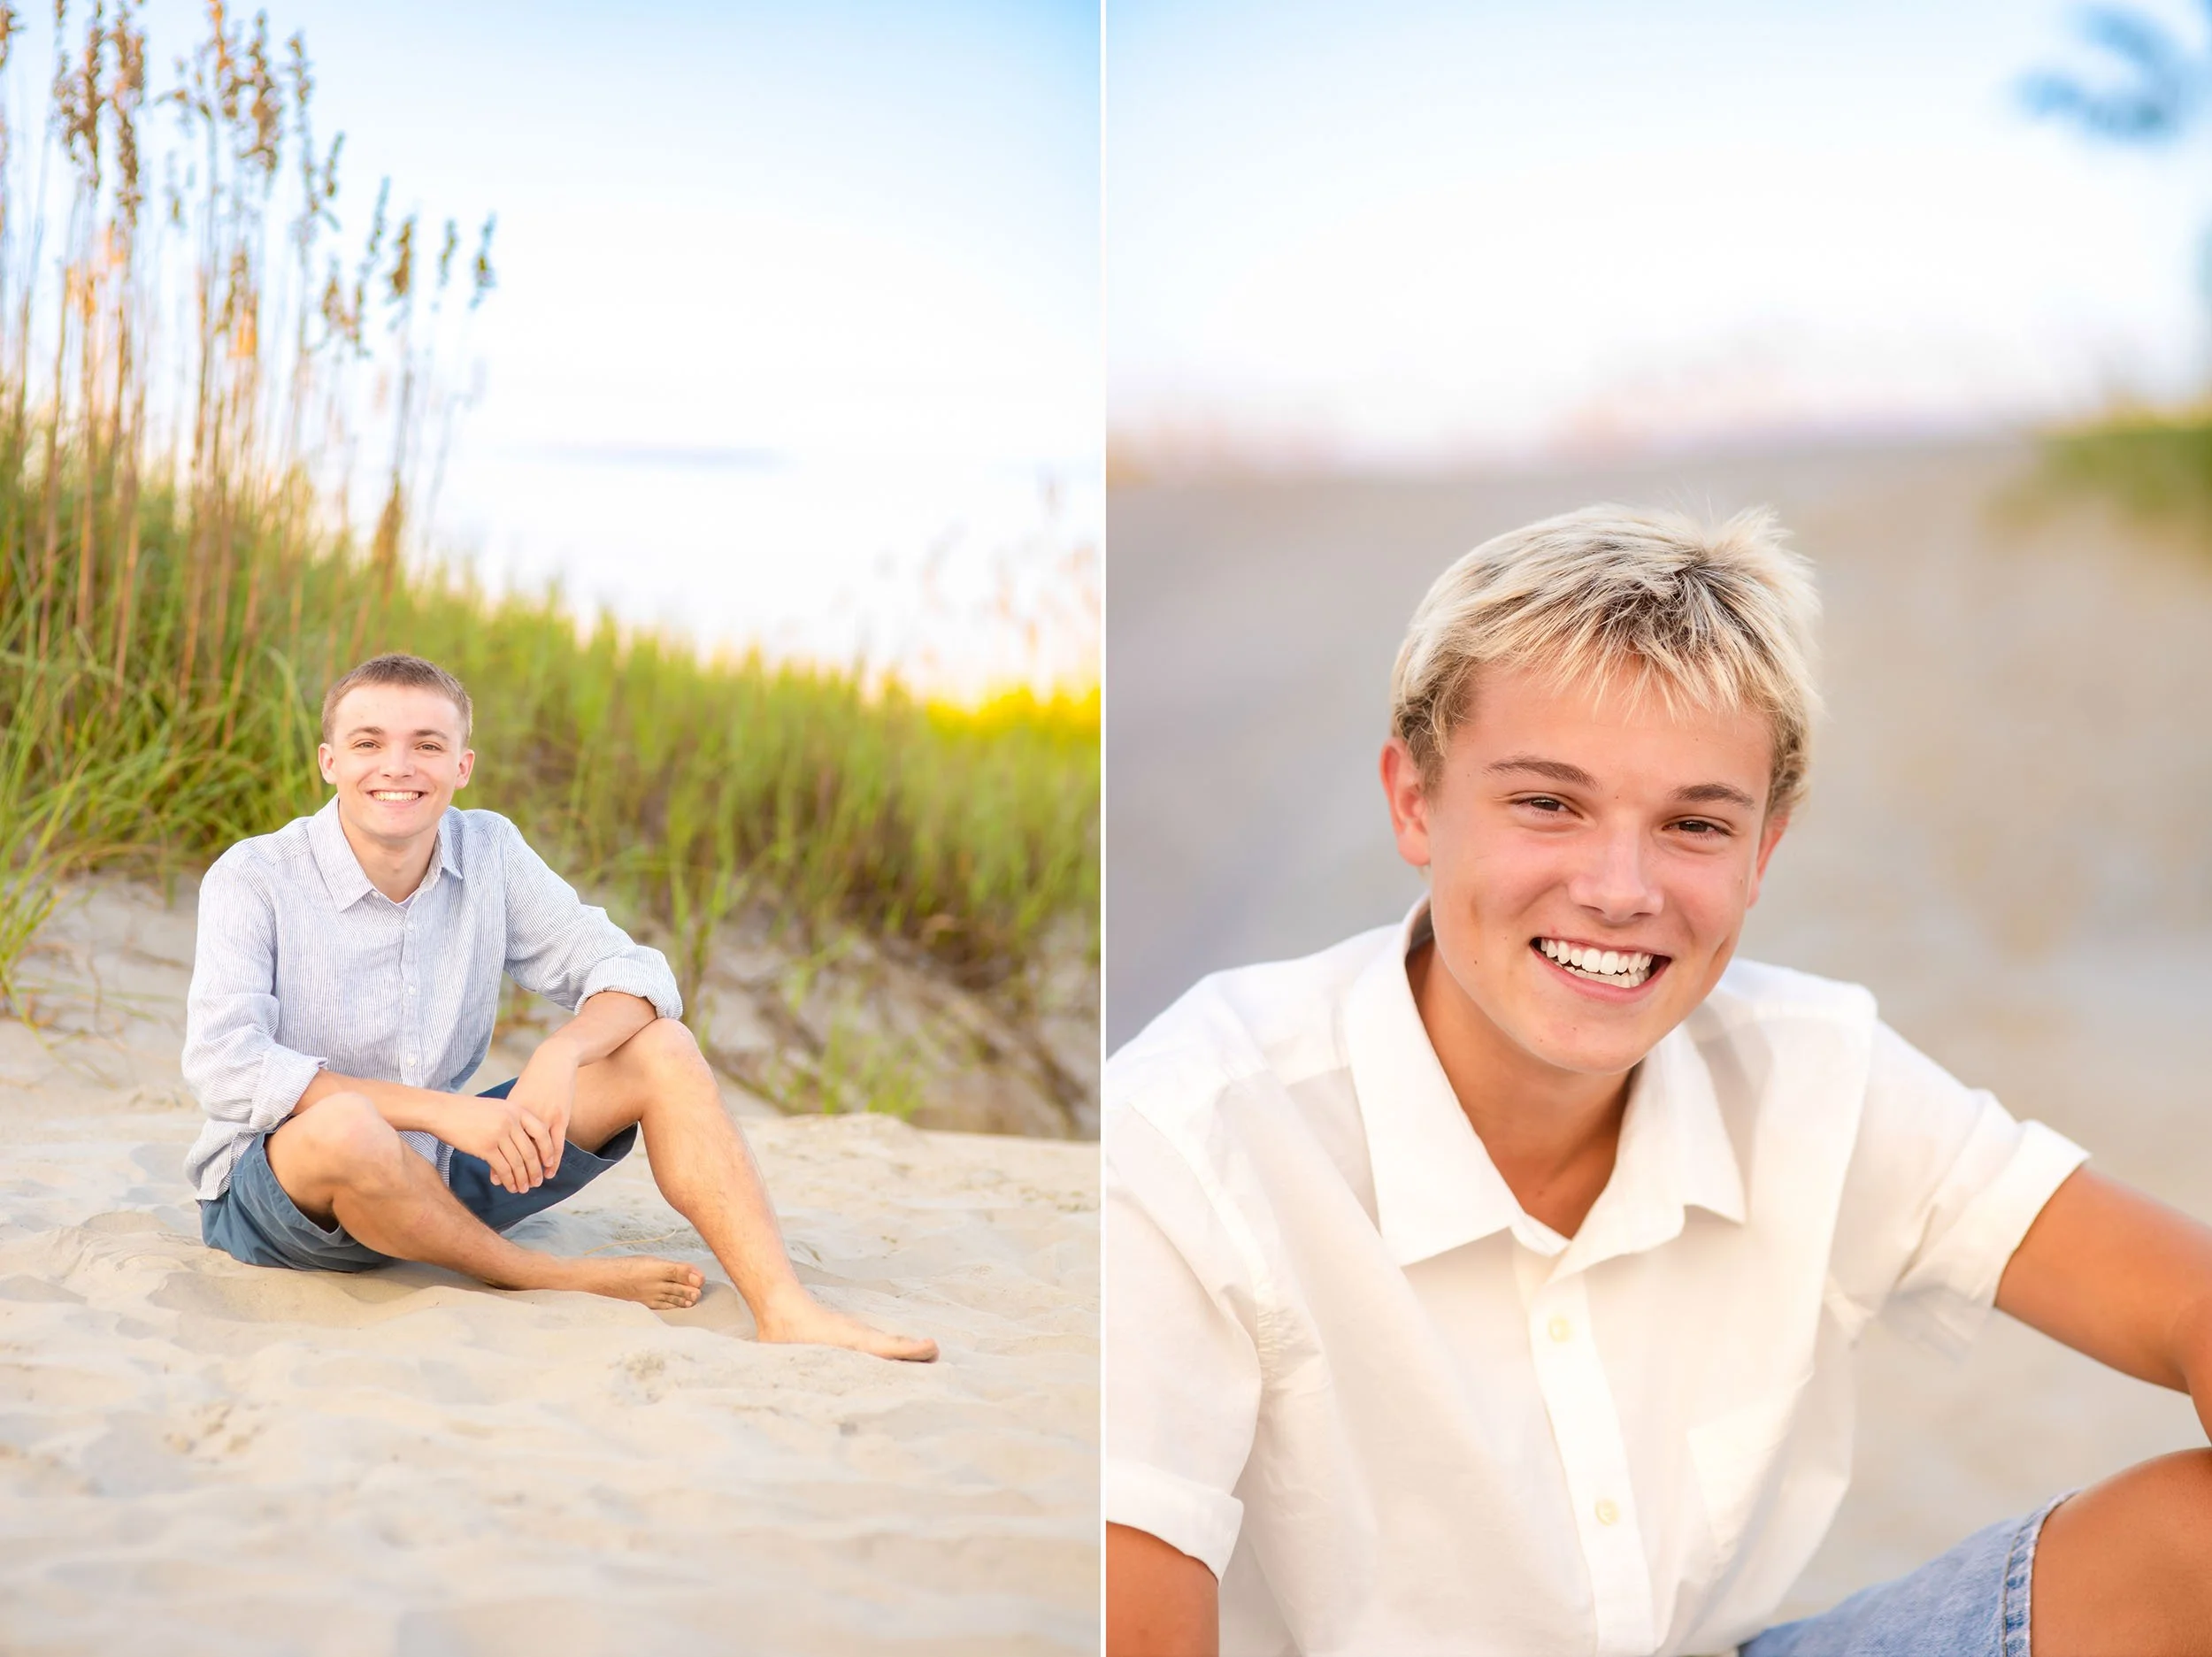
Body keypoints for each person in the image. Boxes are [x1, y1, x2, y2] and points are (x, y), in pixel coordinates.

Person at [1102, 506, 2212, 1654]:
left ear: (1764, 849)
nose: (1622, 888)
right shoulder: (1199, 1129)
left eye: (1693, 824)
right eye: (1548, 803)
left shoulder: (1811, 1073)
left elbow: (2188, 1297)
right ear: (1414, 800)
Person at [184, 651, 936, 1363]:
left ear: (461, 766)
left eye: (427, 744)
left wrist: (562, 1052)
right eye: (369, 741)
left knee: (662, 1047)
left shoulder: (489, 850)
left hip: (445, 1175)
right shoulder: (254, 875)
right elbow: (227, 1065)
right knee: (350, 1125)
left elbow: (636, 969)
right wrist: (442, 1112)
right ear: (330, 761)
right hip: (287, 1199)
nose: (397, 766)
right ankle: (535, 1273)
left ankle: (785, 1310)